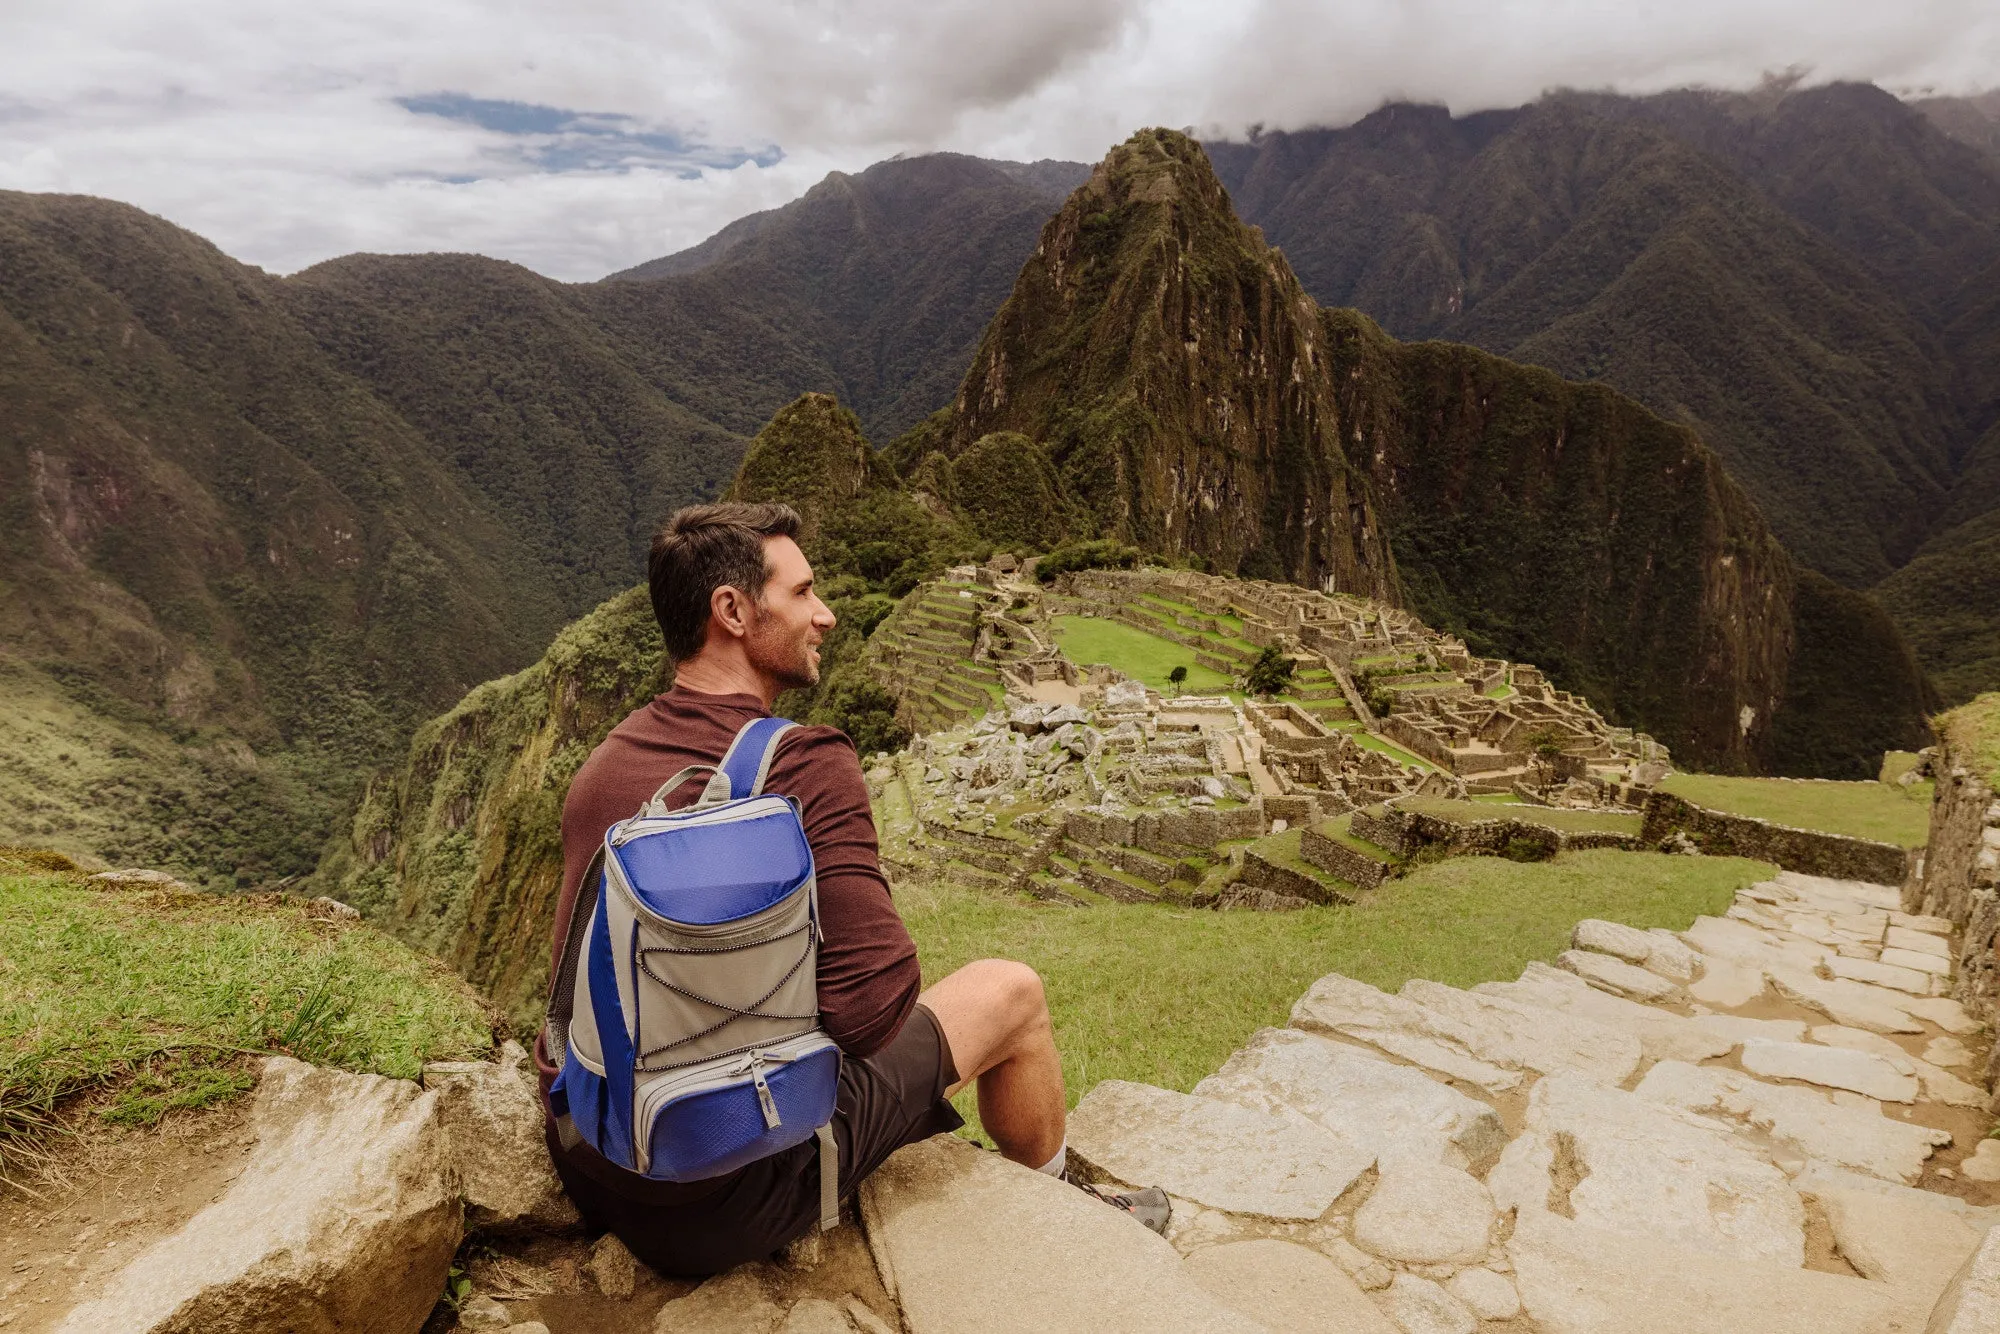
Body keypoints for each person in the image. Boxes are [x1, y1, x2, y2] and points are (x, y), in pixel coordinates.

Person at [534, 500, 1166, 1276]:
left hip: (592, 1158)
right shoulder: (804, 766)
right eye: (801, 593)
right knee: (1012, 995)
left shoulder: (607, 761)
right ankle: (1062, 1199)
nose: (825, 615)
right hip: (717, 1201)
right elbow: (869, 1015)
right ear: (731, 610)